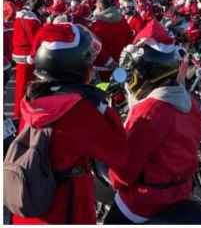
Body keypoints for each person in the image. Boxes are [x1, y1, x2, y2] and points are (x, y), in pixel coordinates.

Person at [11, 22, 129, 224]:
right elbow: (119, 152)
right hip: (67, 208)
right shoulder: (80, 110)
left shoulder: (31, 98)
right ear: (75, 65)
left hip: (29, 208)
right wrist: (103, 109)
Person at [105, 21, 201, 224]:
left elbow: (123, 174)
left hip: (145, 203)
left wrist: (111, 170)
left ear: (144, 71)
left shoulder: (150, 112)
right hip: (181, 193)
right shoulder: (188, 102)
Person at [12, 0, 46, 121]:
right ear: (39, 6)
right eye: (43, 7)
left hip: (19, 54)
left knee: (22, 86)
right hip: (27, 55)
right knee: (24, 87)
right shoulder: (31, 20)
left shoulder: (20, 16)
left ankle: (20, 114)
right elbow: (36, 39)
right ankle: (19, 116)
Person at [90, 0, 134, 82]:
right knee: (117, 92)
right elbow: (130, 41)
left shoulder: (97, 25)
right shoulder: (123, 21)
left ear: (101, 7)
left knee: (102, 92)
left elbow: (95, 46)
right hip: (120, 66)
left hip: (101, 68)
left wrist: (109, 61)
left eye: (97, 6)